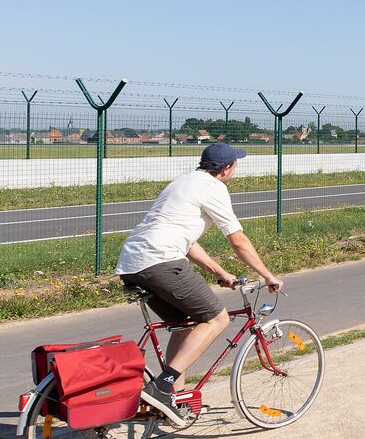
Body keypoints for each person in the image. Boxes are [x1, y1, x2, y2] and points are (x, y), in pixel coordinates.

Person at [117, 141, 283, 423]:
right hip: (161, 261)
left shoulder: (182, 182)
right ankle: (163, 385)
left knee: (186, 325)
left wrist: (218, 271)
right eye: (235, 164)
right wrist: (267, 275)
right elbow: (237, 240)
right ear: (227, 168)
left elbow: (187, 241)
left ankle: (172, 400)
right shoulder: (214, 188)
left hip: (132, 264)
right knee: (216, 319)